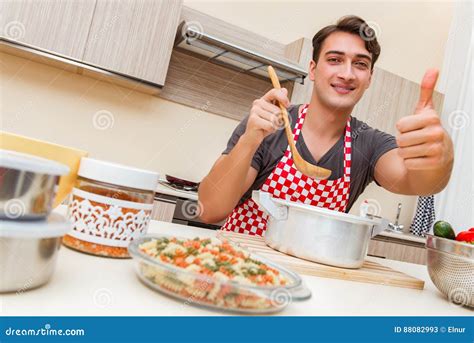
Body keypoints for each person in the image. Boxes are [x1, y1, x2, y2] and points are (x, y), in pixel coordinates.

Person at [198, 15, 454, 236]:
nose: (347, 73)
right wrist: (250, 140)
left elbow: (420, 182)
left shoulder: (368, 143)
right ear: (313, 68)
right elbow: (209, 210)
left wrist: (439, 156)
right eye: (334, 59)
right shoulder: (267, 124)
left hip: (308, 285)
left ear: (369, 79)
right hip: (238, 270)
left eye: (361, 64)